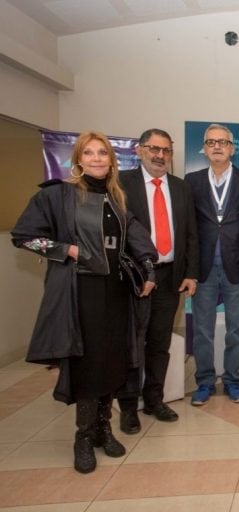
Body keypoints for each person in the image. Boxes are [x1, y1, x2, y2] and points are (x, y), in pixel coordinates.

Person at [11, 131, 157, 473]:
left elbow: (138, 240)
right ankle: (83, 435)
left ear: (111, 160)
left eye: (102, 153)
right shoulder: (59, 196)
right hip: (81, 294)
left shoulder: (116, 199)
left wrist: (148, 269)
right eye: (89, 153)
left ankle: (104, 428)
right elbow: (24, 237)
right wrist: (67, 250)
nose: (96, 159)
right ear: (78, 159)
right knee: (90, 365)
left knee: (113, 362)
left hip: (117, 293)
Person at [117, 128, 199, 434]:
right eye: (153, 149)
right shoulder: (122, 185)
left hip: (170, 276)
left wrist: (191, 273)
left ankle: (154, 399)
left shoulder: (180, 187)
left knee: (159, 342)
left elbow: (191, 234)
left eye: (166, 150)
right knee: (132, 342)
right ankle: (128, 408)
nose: (160, 155)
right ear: (139, 150)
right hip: (135, 276)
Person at [185, 123, 239, 405]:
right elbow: (188, 227)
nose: (216, 146)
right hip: (203, 269)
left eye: (222, 142)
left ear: (232, 148)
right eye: (211, 142)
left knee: (236, 328)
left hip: (237, 265)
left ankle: (233, 380)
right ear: (204, 147)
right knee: (202, 329)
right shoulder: (192, 181)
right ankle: (204, 381)